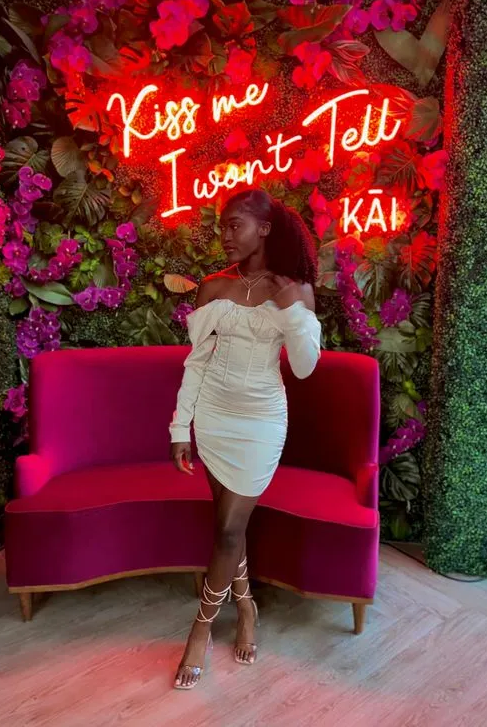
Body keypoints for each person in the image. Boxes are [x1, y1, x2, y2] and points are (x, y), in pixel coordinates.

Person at [169, 187, 322, 690]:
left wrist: (290, 309)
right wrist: (180, 426)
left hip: (260, 422)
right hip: (213, 418)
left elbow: (305, 368)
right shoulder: (214, 286)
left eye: (235, 225)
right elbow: (197, 363)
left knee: (228, 530)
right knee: (227, 528)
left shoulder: (294, 290)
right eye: (222, 226)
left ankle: (200, 629)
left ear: (265, 228)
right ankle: (247, 606)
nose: (226, 235)